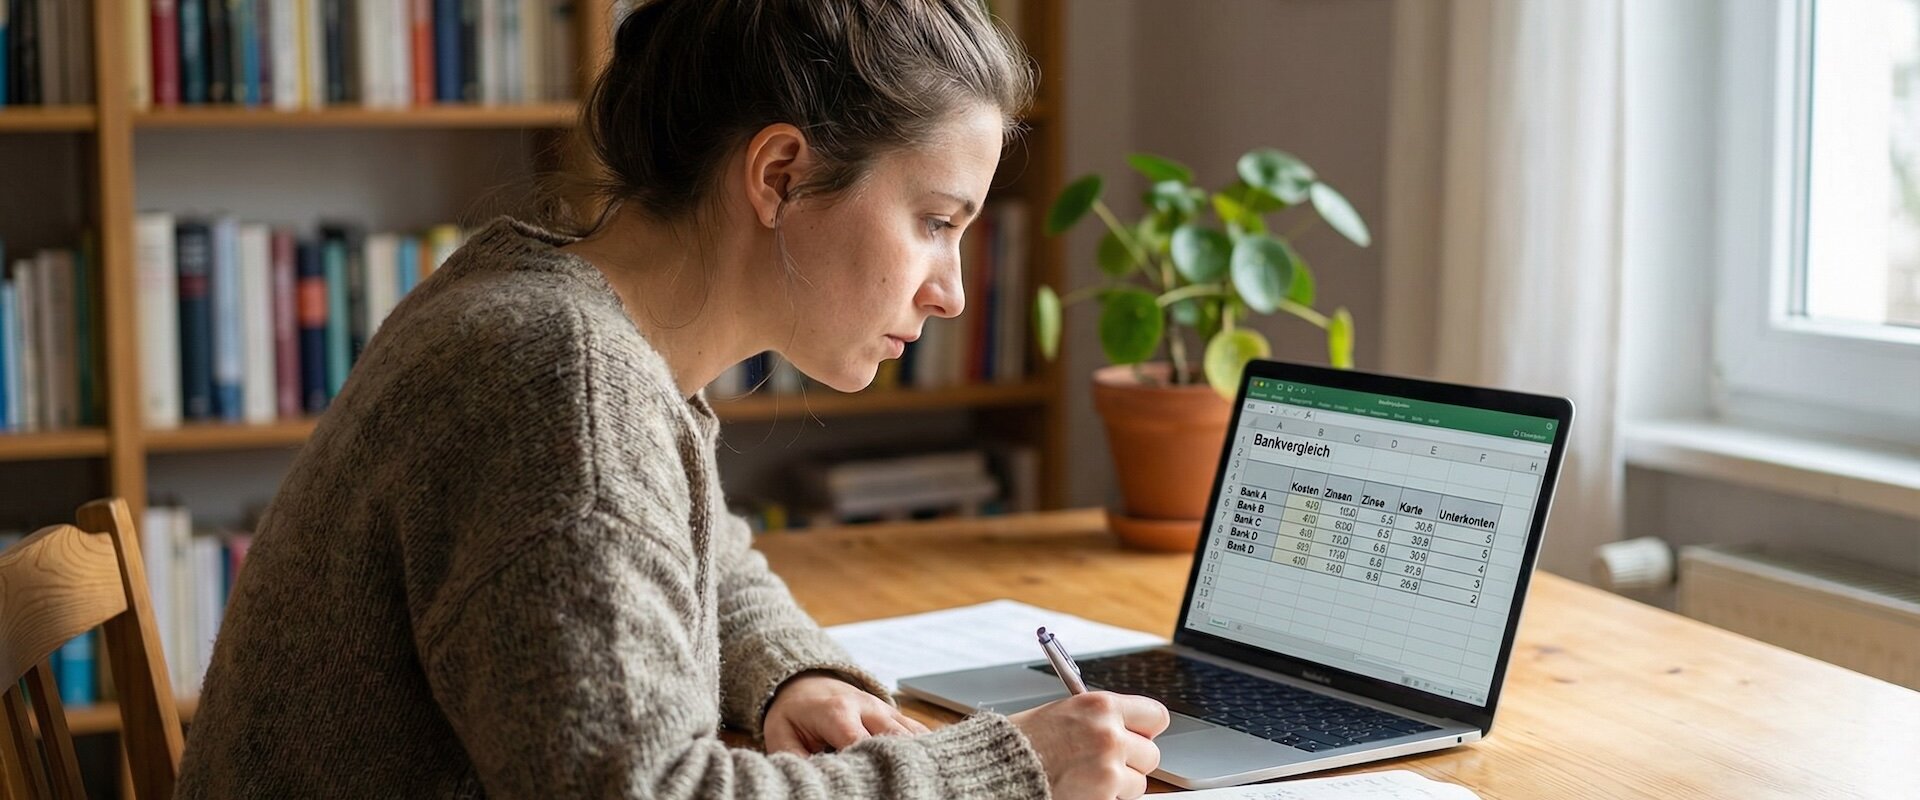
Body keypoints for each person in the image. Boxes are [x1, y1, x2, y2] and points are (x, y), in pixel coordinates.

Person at [174, 1, 1171, 797]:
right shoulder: (560, 388)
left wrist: (789, 668)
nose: (951, 288)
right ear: (780, 172)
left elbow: (686, 549)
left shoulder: (553, 303)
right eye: (934, 220)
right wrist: (1008, 769)